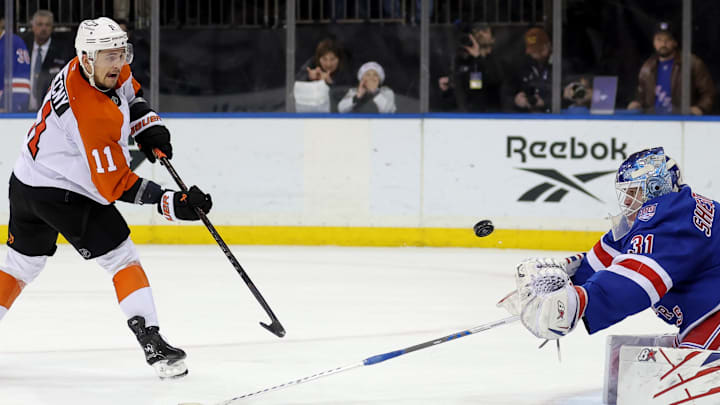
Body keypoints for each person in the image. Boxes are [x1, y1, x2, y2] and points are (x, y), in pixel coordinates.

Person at [0, 17, 213, 379]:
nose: (117, 63)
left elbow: (130, 92)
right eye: (108, 56)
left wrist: (148, 127)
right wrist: (172, 203)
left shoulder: (87, 66)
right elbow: (115, 185)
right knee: (121, 258)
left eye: (120, 52)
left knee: (21, 266)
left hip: (26, 182)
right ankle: (153, 343)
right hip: (64, 193)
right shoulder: (90, 115)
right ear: (86, 59)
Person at [513, 147, 720, 352]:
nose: (627, 200)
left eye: (633, 191)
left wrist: (580, 301)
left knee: (688, 375)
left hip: (714, 314)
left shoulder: (671, 219)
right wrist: (569, 281)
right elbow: (608, 256)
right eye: (625, 192)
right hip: (708, 311)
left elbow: (636, 279)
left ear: (656, 188)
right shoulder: (672, 211)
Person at [627, 22, 715, 115]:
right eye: (659, 40)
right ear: (654, 42)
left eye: (667, 40)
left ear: (675, 42)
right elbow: (641, 94)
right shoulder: (647, 67)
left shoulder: (691, 63)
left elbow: (708, 92)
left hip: (682, 120)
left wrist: (700, 108)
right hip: (653, 120)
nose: (663, 44)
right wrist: (636, 103)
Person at [22, 10, 74, 111]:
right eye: (40, 24)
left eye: (47, 25)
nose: (44, 28)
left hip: (50, 111)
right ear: (33, 26)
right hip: (22, 110)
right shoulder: (23, 46)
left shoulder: (63, 51)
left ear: (52, 28)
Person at [452, 23, 504, 113]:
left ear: (493, 40)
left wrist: (478, 57)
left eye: (485, 31)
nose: (480, 33)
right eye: (476, 31)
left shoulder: (497, 61)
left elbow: (494, 80)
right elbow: (467, 86)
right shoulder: (465, 60)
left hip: (491, 113)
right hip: (467, 113)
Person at [293, 37, 353, 112]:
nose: (328, 64)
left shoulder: (346, 70)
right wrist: (309, 78)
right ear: (318, 58)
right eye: (324, 59)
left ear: (339, 59)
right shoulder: (311, 65)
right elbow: (293, 87)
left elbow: (349, 95)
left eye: (333, 59)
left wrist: (330, 82)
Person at [511, 27, 552, 113]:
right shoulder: (523, 66)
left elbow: (566, 94)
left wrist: (545, 102)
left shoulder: (559, 66)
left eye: (536, 49)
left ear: (546, 46)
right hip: (528, 116)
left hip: (553, 116)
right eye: (532, 50)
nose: (532, 54)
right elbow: (508, 91)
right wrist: (516, 101)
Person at [0, 13, 31, 112]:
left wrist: (10, 108)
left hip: (5, 111)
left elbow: (21, 81)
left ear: (1, 22)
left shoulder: (14, 42)